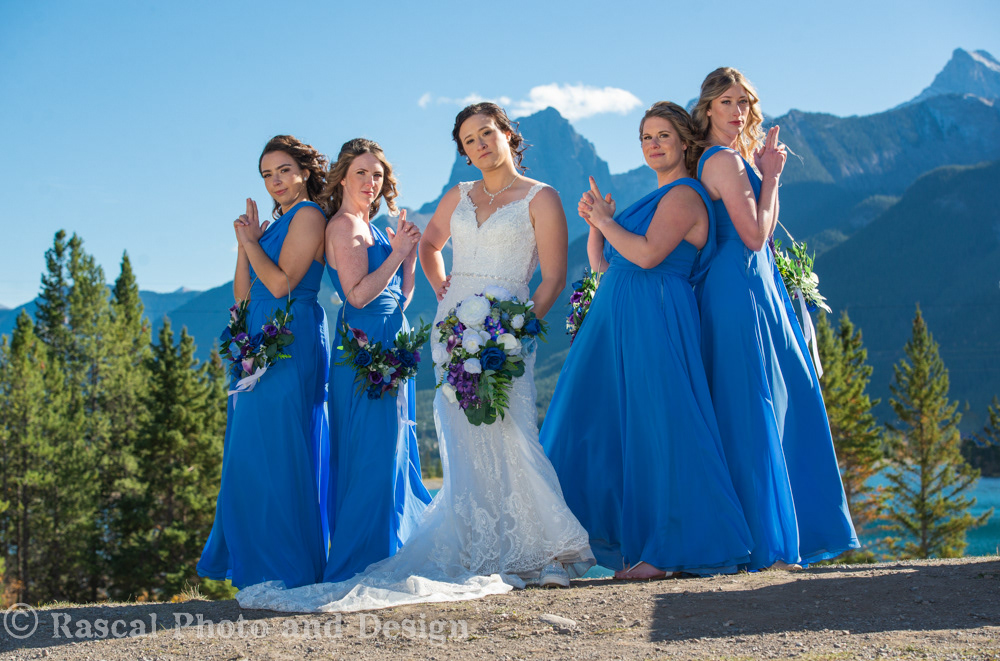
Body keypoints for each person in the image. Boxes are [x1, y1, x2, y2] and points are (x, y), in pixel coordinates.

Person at [236, 104, 593, 613]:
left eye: (486, 133)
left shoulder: (542, 197)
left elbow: (551, 277)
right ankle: (467, 546)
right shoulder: (444, 199)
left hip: (501, 330)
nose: (479, 145)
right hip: (441, 332)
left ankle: (543, 547)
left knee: (512, 432)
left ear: (508, 134)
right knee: (450, 444)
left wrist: (519, 331)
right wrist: (442, 289)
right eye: (469, 140)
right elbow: (407, 262)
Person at [540, 102, 752, 579]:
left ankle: (668, 550)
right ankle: (576, 542)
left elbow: (650, 255)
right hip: (619, 320)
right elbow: (605, 265)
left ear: (684, 142)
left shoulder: (685, 195)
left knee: (662, 427)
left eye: (663, 136)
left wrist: (605, 221)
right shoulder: (654, 198)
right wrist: (596, 227)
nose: (653, 145)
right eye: (645, 137)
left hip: (656, 317)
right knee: (602, 425)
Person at [693, 67, 859, 570]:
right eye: (726, 101)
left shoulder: (732, 157)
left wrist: (765, 173)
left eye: (743, 101)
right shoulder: (722, 159)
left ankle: (769, 536)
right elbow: (754, 235)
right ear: (707, 108)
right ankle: (764, 542)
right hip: (737, 286)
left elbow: (762, 231)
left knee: (771, 400)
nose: (737, 110)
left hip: (753, 284)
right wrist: (772, 176)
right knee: (753, 406)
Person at [198, 135, 331, 589]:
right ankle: (259, 569)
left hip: (289, 340)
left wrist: (252, 243)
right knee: (251, 454)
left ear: (305, 172)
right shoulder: (276, 225)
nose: (275, 181)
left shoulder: (309, 215)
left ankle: (288, 570)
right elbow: (244, 295)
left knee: (278, 451)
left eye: (284, 171)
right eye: (267, 175)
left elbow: (280, 286)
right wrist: (243, 245)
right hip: (256, 339)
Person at [322, 138, 431, 582]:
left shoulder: (375, 229)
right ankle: (363, 560)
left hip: (391, 340)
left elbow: (399, 299)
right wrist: (398, 253)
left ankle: (392, 550)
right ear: (343, 178)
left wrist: (409, 257)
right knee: (371, 454)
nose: (371, 182)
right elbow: (358, 295)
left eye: (378, 175)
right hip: (364, 349)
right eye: (362, 173)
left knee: (394, 449)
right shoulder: (344, 226)